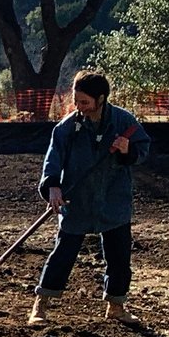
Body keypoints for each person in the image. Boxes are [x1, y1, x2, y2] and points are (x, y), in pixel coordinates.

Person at [30, 72, 151, 323]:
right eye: (76, 101)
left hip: (113, 200)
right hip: (77, 200)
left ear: (101, 99)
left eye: (84, 102)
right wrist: (52, 186)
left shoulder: (124, 121)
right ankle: (40, 305)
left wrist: (128, 150)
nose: (79, 107)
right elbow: (53, 158)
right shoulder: (66, 128)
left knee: (119, 257)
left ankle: (116, 307)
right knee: (63, 254)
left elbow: (143, 149)